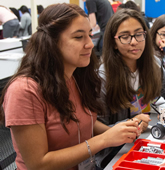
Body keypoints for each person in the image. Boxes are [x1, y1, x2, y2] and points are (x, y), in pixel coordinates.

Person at [0, 3, 141, 170]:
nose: (90, 44)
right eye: (79, 37)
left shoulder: (76, 77)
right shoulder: (24, 91)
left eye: (89, 35)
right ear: (51, 42)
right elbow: (37, 164)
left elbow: (82, 121)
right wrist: (104, 139)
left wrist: (118, 131)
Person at [99, 8, 165, 128]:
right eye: (125, 36)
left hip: (148, 134)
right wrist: (129, 124)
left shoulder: (153, 63)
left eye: (139, 34)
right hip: (121, 144)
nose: (134, 42)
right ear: (113, 43)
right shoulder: (104, 77)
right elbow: (98, 127)